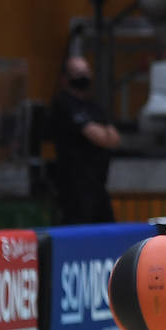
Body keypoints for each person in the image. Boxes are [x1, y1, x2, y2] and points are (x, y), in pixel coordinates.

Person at [50, 56, 120, 224]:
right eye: (78, 72)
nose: (83, 76)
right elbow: (95, 135)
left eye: (86, 71)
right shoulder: (63, 104)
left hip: (99, 185)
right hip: (74, 189)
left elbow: (114, 139)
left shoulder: (93, 106)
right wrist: (102, 133)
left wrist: (102, 134)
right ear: (65, 78)